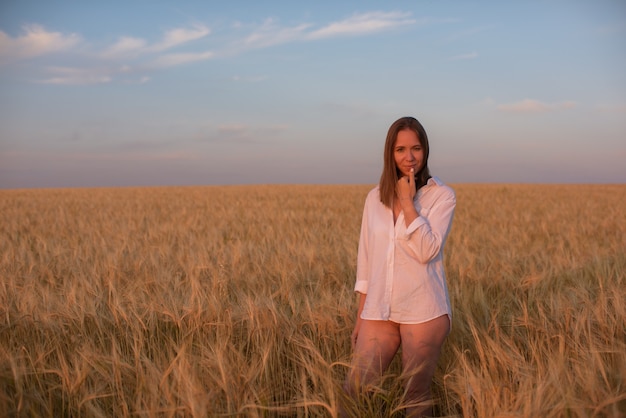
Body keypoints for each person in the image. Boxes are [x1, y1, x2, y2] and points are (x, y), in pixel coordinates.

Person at [343, 116, 456, 417]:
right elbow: (367, 262)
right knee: (353, 390)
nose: (409, 157)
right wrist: (361, 316)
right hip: (379, 310)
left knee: (414, 396)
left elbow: (426, 251)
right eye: (401, 149)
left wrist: (408, 204)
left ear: (425, 151)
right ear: (389, 154)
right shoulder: (374, 199)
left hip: (424, 310)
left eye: (416, 149)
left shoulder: (441, 196)